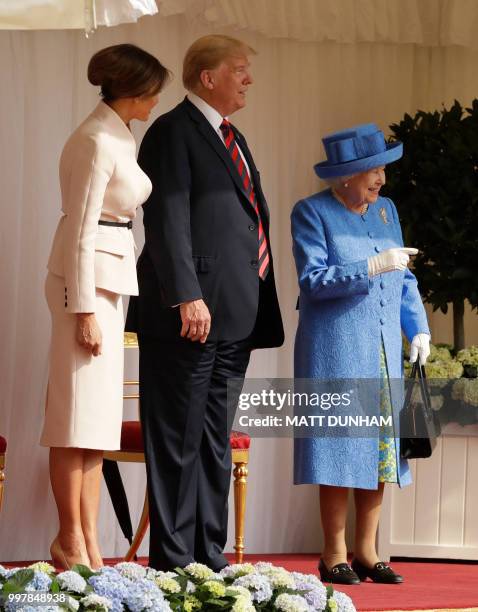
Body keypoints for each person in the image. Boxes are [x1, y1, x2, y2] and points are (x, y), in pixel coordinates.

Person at [126, 34, 284, 571]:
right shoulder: (172, 132)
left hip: (235, 314)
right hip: (188, 315)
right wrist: (187, 296)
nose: (248, 79)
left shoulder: (231, 135)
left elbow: (246, 220)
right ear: (208, 77)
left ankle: (206, 560)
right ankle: (171, 565)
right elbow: (167, 220)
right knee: (178, 442)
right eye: (239, 69)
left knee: (214, 441)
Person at [40, 44, 169, 570]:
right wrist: (83, 308)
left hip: (109, 279)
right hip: (86, 283)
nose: (158, 98)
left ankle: (89, 543)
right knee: (74, 421)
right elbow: (79, 227)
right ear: (135, 91)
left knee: (94, 424)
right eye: (154, 90)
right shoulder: (96, 139)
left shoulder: (118, 133)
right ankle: (69, 540)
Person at [291, 123, 430, 585]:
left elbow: (404, 278)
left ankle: (368, 551)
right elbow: (312, 280)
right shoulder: (311, 213)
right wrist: (370, 266)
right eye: (373, 171)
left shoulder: (387, 211)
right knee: (337, 448)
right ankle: (333, 553)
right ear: (345, 175)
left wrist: (419, 329)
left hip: (385, 347)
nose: (382, 180)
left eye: (383, 170)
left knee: (380, 454)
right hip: (336, 348)